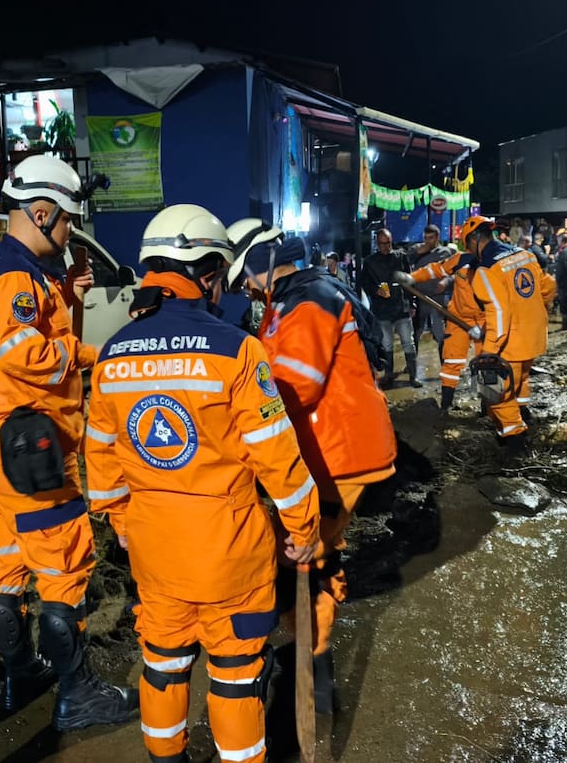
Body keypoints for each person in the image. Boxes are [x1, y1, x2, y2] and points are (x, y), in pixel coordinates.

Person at [84, 205, 319, 763]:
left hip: (153, 551)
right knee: (236, 676)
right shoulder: (238, 352)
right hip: (229, 553)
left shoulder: (113, 354)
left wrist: (123, 523)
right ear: (210, 273)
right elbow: (278, 459)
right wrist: (303, 527)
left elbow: (100, 460)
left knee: (162, 664)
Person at [0, 154, 138, 731]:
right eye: (66, 224)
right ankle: (77, 694)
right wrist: (94, 357)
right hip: (28, 446)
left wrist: (73, 298)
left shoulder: (17, 273)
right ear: (41, 211)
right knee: (63, 562)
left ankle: (21, 674)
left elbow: (34, 338)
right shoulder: (16, 279)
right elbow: (23, 354)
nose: (69, 235)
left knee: (7, 559)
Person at [227, 222, 395, 714]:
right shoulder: (293, 298)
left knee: (311, 557)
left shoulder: (308, 301)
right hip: (326, 449)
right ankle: (306, 650)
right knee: (300, 554)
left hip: (337, 453)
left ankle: (317, 671)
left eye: (246, 278)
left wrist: (234, 417)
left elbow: (293, 387)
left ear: (262, 262)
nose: (246, 289)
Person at [462, 215, 555, 452]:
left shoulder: (486, 269)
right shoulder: (524, 254)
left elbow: (499, 314)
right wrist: (539, 312)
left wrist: (489, 352)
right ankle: (524, 414)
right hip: (534, 337)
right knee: (522, 379)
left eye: (468, 246)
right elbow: (548, 286)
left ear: (474, 240)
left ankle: (515, 441)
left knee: (497, 397)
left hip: (509, 343)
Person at [395, 245, 482, 411]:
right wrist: (412, 278)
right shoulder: (461, 259)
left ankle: (487, 408)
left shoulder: (494, 262)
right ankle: (445, 407)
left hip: (484, 319)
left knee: (486, 363)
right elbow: (437, 269)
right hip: (458, 318)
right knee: (451, 362)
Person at [359, 229, 419, 388]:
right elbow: (364, 282)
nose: (386, 246)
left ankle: (413, 376)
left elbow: (410, 282)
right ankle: (389, 376)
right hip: (382, 310)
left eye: (388, 243)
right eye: (382, 244)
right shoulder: (370, 262)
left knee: (408, 343)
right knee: (387, 345)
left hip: (401, 308)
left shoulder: (401, 257)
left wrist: (412, 303)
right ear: (377, 244)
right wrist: (375, 291)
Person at [410, 224, 453, 363]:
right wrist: (417, 253)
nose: (428, 241)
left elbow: (454, 273)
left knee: (439, 332)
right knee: (416, 332)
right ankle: (411, 364)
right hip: (420, 297)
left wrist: (445, 282)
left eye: (431, 238)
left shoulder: (445, 252)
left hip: (437, 298)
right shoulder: (417, 250)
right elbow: (404, 262)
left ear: (437, 238)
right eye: (425, 238)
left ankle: (444, 363)